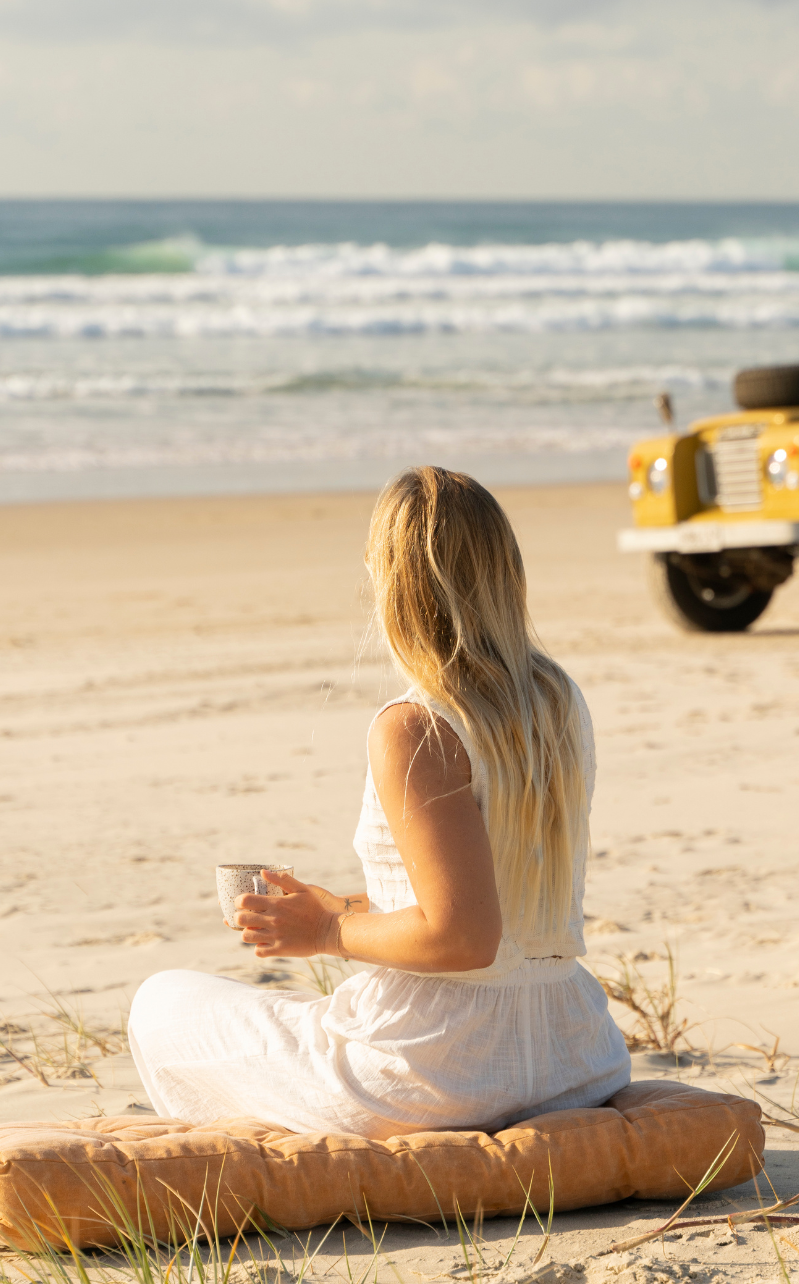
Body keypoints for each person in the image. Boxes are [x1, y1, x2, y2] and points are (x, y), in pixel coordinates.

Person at [127, 466, 630, 1136]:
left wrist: (328, 934)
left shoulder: (415, 726)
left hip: (442, 1075)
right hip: (576, 1059)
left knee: (162, 1001)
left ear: (389, 580)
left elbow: (467, 938)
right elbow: (499, 907)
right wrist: (335, 908)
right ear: (506, 570)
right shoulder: (557, 701)